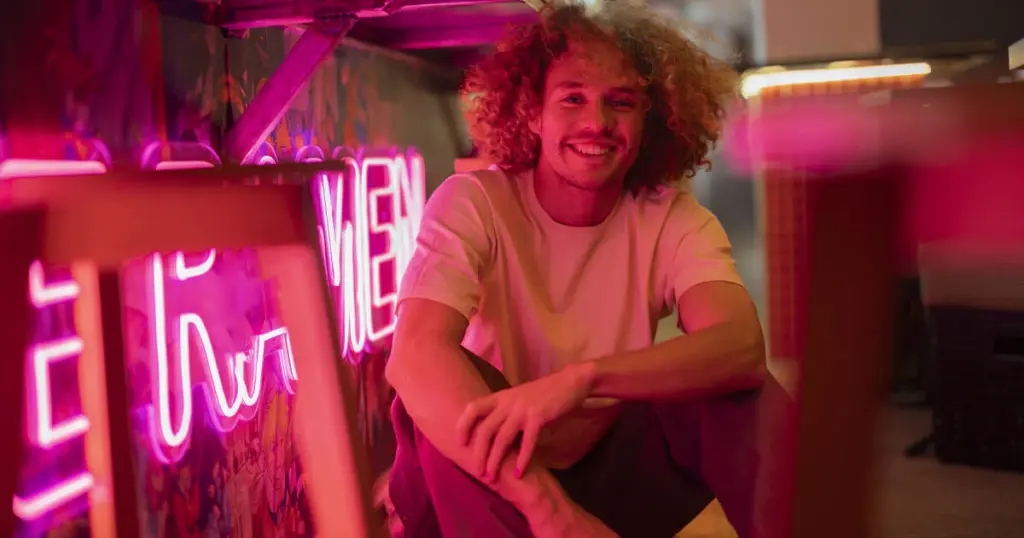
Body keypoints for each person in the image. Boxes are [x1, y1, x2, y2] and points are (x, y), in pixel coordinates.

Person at [385, 2, 795, 537]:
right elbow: (413, 356)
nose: (596, 122)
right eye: (573, 97)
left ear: (651, 117)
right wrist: (548, 509)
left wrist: (584, 379)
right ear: (533, 111)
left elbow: (740, 346)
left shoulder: (671, 217)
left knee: (741, 391)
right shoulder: (473, 201)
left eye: (620, 102)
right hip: (487, 489)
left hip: (611, 476)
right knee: (463, 389)